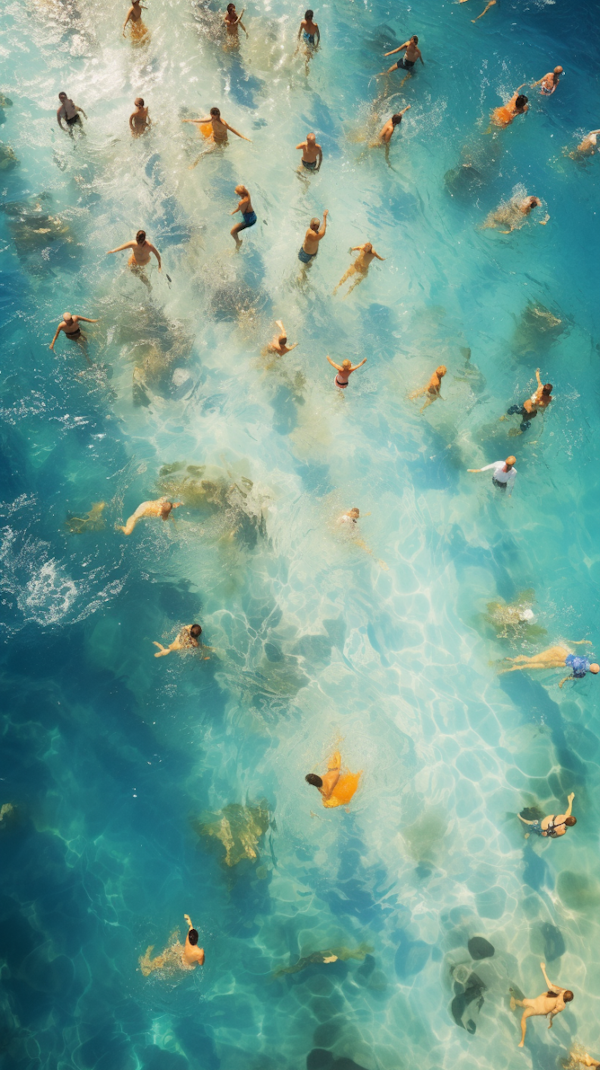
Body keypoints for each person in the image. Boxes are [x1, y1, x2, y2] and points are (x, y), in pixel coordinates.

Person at [510, 963, 573, 1047]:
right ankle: (514, 1001)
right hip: (540, 1009)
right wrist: (551, 1021)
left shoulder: (561, 992)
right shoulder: (562, 1006)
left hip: (538, 1004)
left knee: (524, 1014)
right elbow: (553, 1012)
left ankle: (522, 1041)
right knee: (524, 1007)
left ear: (565, 992)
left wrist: (543, 969)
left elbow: (550, 986)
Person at [499, 642, 599, 687]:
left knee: (531, 659)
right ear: (593, 673)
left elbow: (575, 646)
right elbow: (570, 677)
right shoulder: (582, 673)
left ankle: (513, 660)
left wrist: (583, 642)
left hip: (559, 651)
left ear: (592, 663)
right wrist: (562, 681)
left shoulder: (585, 659)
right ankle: (509, 669)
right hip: (559, 662)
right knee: (533, 665)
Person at [140, 914, 205, 976]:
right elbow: (201, 963)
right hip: (184, 966)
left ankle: (149, 965)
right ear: (197, 938)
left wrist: (186, 916)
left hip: (181, 954)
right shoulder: (199, 953)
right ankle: (149, 968)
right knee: (168, 966)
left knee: (165, 958)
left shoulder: (188, 936)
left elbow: (190, 924)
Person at [183, 107, 251, 164]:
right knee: (201, 144)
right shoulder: (212, 119)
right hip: (213, 138)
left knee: (203, 153)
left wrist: (244, 137)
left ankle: (194, 165)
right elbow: (201, 121)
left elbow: (233, 130)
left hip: (220, 142)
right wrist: (188, 120)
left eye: (213, 116)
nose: (212, 117)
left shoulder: (223, 123)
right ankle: (194, 162)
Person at [117, 496, 182, 535]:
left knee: (170, 510)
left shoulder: (161, 501)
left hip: (146, 504)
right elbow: (165, 518)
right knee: (127, 532)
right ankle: (120, 527)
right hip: (142, 509)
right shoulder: (160, 513)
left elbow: (168, 501)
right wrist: (174, 523)